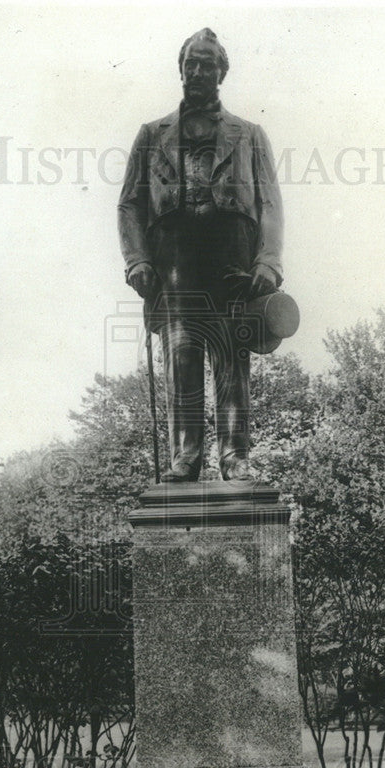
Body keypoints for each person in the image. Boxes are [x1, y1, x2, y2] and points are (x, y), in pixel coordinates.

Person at [118, 28, 284, 482]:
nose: (197, 71)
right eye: (190, 62)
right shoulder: (151, 134)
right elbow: (130, 203)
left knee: (232, 356)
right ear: (181, 68)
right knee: (182, 355)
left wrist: (268, 261)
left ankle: (235, 456)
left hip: (231, 256)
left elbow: (270, 202)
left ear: (221, 72)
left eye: (207, 63)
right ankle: (185, 456)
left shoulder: (250, 134)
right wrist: (137, 260)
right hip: (174, 262)